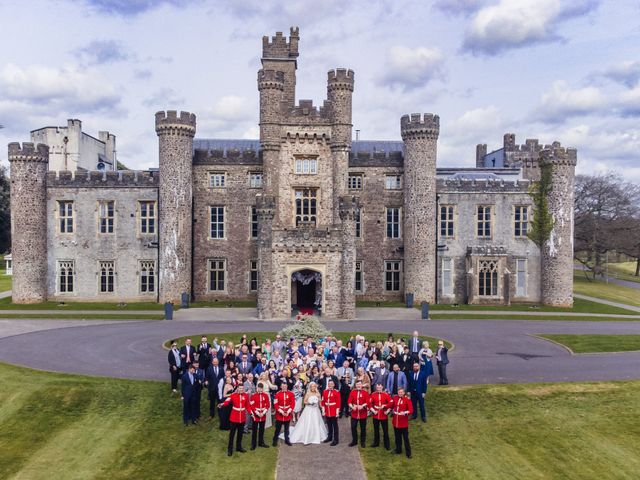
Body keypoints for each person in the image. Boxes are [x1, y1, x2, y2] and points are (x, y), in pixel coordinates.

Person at [221, 384, 249, 456]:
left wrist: (252, 412)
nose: (241, 390)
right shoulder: (233, 395)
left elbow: (247, 405)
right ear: (237, 389)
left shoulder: (245, 395)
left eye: (242, 388)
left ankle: (238, 447)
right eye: (239, 388)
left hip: (242, 418)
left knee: (240, 434)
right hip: (234, 418)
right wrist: (222, 404)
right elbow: (227, 401)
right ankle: (230, 450)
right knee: (232, 435)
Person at [391, 387, 413, 458]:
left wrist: (404, 413)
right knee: (397, 437)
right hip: (396, 422)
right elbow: (391, 405)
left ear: (404, 393)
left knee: (405, 438)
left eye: (401, 392)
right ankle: (398, 449)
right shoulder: (395, 398)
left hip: (403, 423)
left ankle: (408, 453)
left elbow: (411, 410)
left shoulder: (407, 400)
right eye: (399, 392)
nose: (400, 393)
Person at [369, 383, 391, 450]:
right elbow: (369, 403)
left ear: (382, 387)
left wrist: (385, 406)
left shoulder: (386, 395)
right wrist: (373, 410)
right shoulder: (373, 395)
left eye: (380, 387)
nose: (378, 389)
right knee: (376, 430)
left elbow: (391, 403)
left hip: (383, 415)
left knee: (385, 431)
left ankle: (387, 444)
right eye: (377, 388)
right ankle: (376, 442)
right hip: (376, 415)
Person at [348, 380, 370, 448]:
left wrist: (362, 406)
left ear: (361, 385)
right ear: (355, 385)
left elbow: (368, 402)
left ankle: (362, 442)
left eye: (359, 384)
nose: (358, 386)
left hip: (362, 413)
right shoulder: (352, 392)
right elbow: (349, 401)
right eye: (357, 384)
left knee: (363, 428)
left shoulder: (365, 393)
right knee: (353, 427)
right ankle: (354, 441)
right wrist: (352, 406)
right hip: (354, 413)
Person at [249, 382, 271, 450]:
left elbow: (267, 405)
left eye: (261, 389)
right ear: (257, 388)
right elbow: (252, 405)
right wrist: (257, 413)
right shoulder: (253, 395)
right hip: (256, 415)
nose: (260, 390)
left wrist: (263, 413)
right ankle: (253, 444)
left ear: (263, 389)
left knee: (262, 430)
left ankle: (261, 442)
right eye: (259, 388)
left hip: (263, 415)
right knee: (254, 430)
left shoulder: (265, 395)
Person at [272, 382, 295, 446]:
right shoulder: (277, 394)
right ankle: (275, 440)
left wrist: (288, 412)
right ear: (281, 387)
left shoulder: (291, 394)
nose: (284, 387)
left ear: (287, 386)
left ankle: (287, 440)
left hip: (287, 413)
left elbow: (292, 403)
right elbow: (276, 404)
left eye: (285, 386)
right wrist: (281, 411)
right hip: (279, 414)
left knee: (287, 429)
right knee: (278, 429)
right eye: (283, 386)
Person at [321, 379, 341, 446]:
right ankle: (329, 437)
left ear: (333, 385)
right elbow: (323, 401)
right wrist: (323, 410)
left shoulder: (336, 392)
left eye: (331, 384)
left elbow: (338, 403)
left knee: (335, 426)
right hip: (327, 411)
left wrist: (337, 412)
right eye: (329, 384)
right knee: (329, 425)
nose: (330, 385)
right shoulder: (325, 392)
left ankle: (336, 439)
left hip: (333, 411)